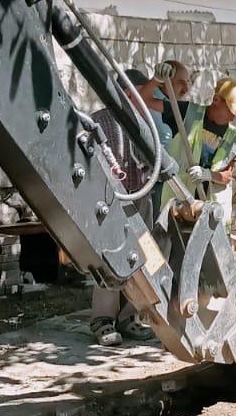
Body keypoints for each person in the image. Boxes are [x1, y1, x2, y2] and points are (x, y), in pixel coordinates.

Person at [89, 69, 155, 346]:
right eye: (145, 94)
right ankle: (103, 320)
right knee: (110, 256)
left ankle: (131, 315)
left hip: (143, 196)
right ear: (129, 93)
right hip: (112, 198)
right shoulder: (99, 121)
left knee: (143, 256)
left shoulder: (146, 122)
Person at [160, 78, 236, 232]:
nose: (233, 118)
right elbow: (145, 100)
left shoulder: (234, 138)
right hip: (179, 203)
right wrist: (157, 79)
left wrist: (208, 175)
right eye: (231, 111)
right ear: (216, 100)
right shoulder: (188, 113)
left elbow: (227, 176)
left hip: (209, 211)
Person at [138, 60, 192, 215]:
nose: (186, 89)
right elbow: (138, 102)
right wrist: (156, 80)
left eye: (188, 82)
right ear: (164, 83)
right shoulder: (153, 96)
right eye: (181, 83)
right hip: (150, 178)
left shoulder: (172, 104)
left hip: (169, 176)